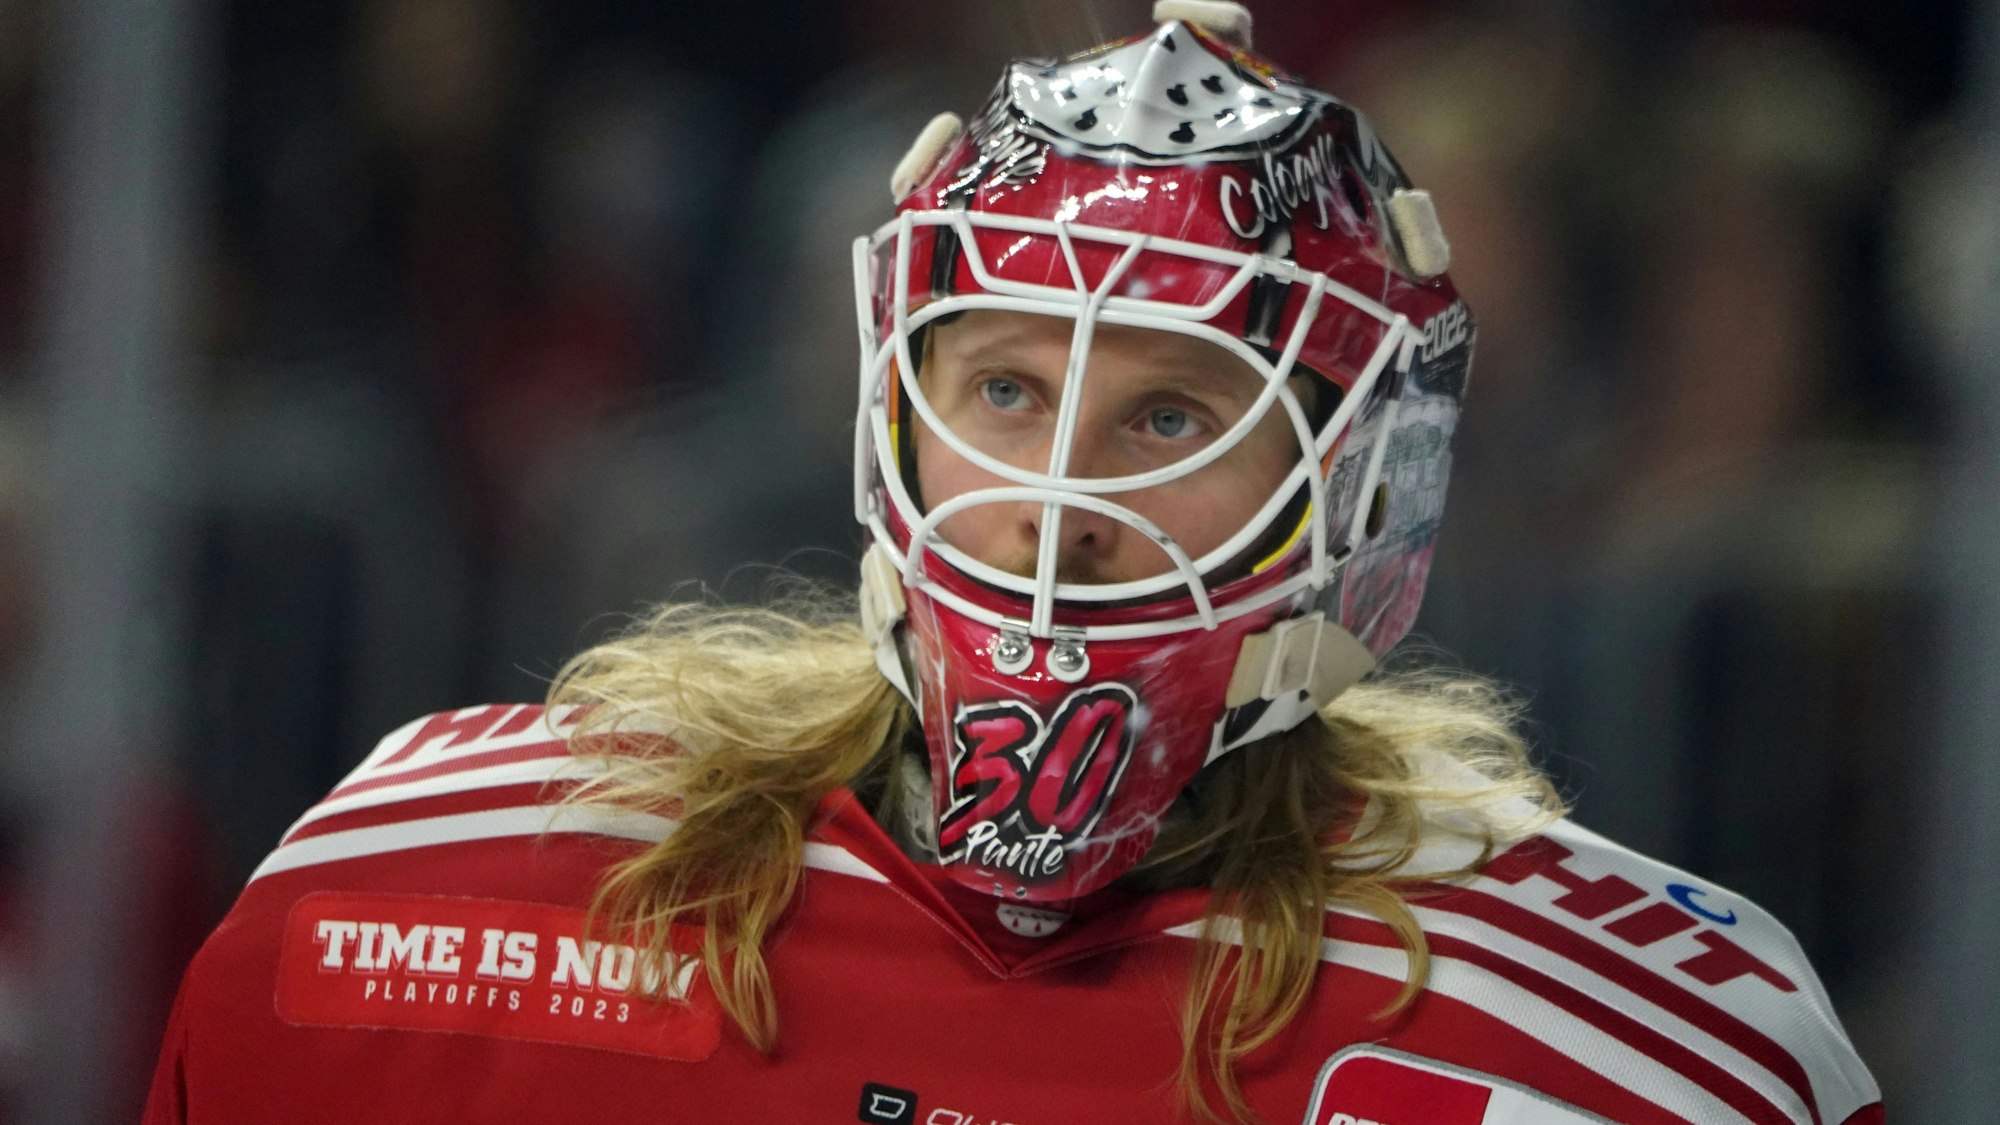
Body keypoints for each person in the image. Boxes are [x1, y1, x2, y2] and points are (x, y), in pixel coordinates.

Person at [146, 4, 1882, 1122]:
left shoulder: (1650, 1056)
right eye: (1002, 385)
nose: (1055, 496)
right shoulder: (402, 897)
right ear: (893, 413)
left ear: (1358, 493)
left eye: (1169, 415)